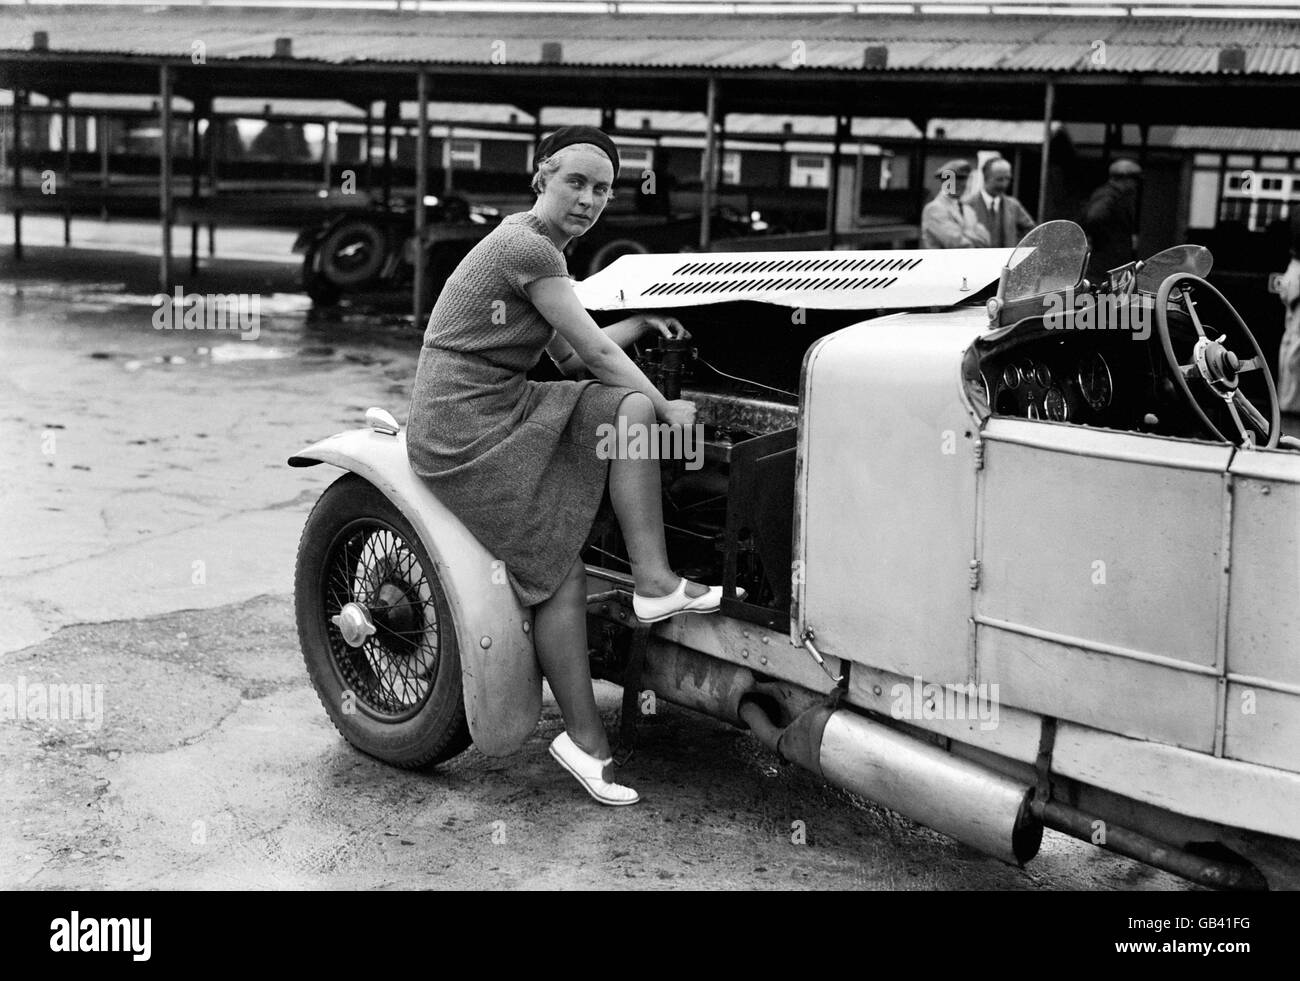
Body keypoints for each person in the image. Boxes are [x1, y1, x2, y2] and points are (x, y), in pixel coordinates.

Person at [406, 126, 723, 808]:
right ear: (541, 178)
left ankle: (653, 579)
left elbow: (578, 357)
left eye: (603, 189)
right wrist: (671, 407)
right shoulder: (528, 247)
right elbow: (599, 365)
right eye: (575, 182)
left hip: (502, 405)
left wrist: (640, 322)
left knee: (624, 410)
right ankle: (584, 740)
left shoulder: (534, 245)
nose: (589, 199)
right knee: (560, 568)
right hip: (463, 428)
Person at [1081, 158, 1142, 284]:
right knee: (1106, 301)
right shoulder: (1108, 195)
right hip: (1105, 266)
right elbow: (1095, 216)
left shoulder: (1115, 195)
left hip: (1111, 265)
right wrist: (1107, 238)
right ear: (1125, 179)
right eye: (1134, 180)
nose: (1135, 185)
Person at [920, 159, 991, 249]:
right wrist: (972, 234)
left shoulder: (968, 210)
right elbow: (955, 243)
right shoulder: (934, 209)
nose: (960, 184)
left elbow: (986, 239)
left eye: (963, 179)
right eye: (953, 181)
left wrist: (963, 232)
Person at [968, 157, 1035, 249]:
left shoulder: (1013, 205)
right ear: (986, 178)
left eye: (1007, 179)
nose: (1004, 184)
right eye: (999, 179)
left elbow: (1031, 232)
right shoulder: (968, 205)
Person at [1279, 209, 1300, 418]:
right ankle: (1290, 406)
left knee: (1292, 340)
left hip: (1294, 268)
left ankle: (1288, 403)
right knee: (1296, 343)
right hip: (1298, 269)